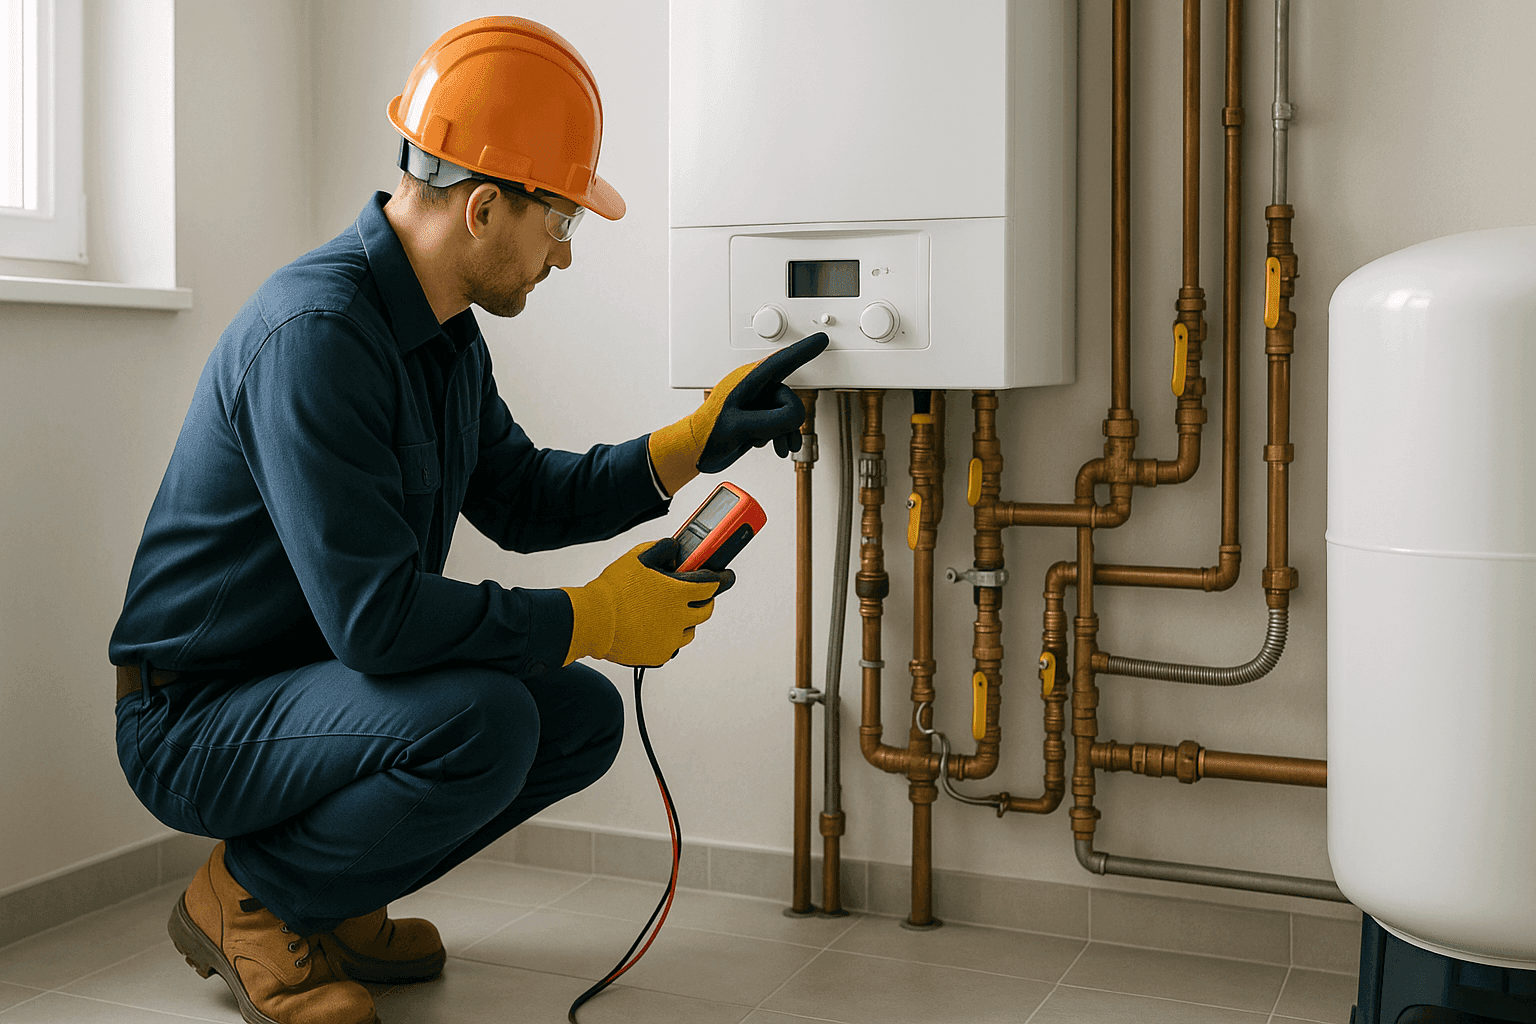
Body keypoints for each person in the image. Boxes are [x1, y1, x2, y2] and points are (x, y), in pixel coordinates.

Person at [108, 17, 826, 1024]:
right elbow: (377, 621)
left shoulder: (443, 334)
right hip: (197, 718)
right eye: (560, 222)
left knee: (578, 718)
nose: (563, 256)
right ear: (486, 208)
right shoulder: (317, 335)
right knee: (484, 720)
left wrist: (691, 443)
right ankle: (256, 897)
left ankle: (330, 895)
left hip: (316, 687)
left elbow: (522, 496)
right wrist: (591, 616)